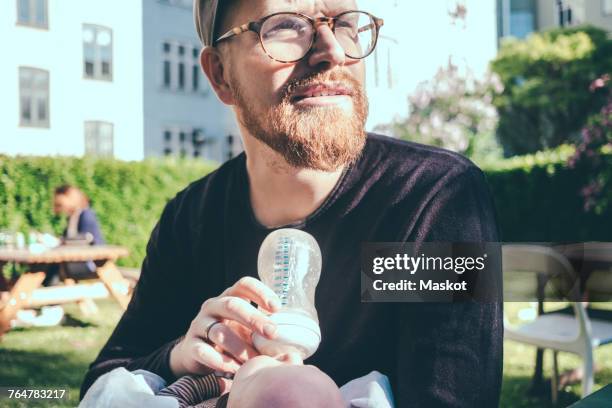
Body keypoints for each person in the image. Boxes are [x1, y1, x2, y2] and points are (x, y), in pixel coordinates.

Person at [80, 0, 503, 406]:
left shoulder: (430, 199)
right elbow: (103, 383)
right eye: (284, 25)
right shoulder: (191, 219)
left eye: (347, 23)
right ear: (220, 74)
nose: (333, 51)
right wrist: (182, 355)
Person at [43, 185, 105, 286]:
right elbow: (68, 239)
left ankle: (50, 300)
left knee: (53, 267)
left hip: (91, 263)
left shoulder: (86, 215)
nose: (59, 208)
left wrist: (61, 241)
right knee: (51, 266)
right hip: (75, 261)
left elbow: (85, 239)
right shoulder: (72, 217)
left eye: (60, 204)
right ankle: (51, 299)